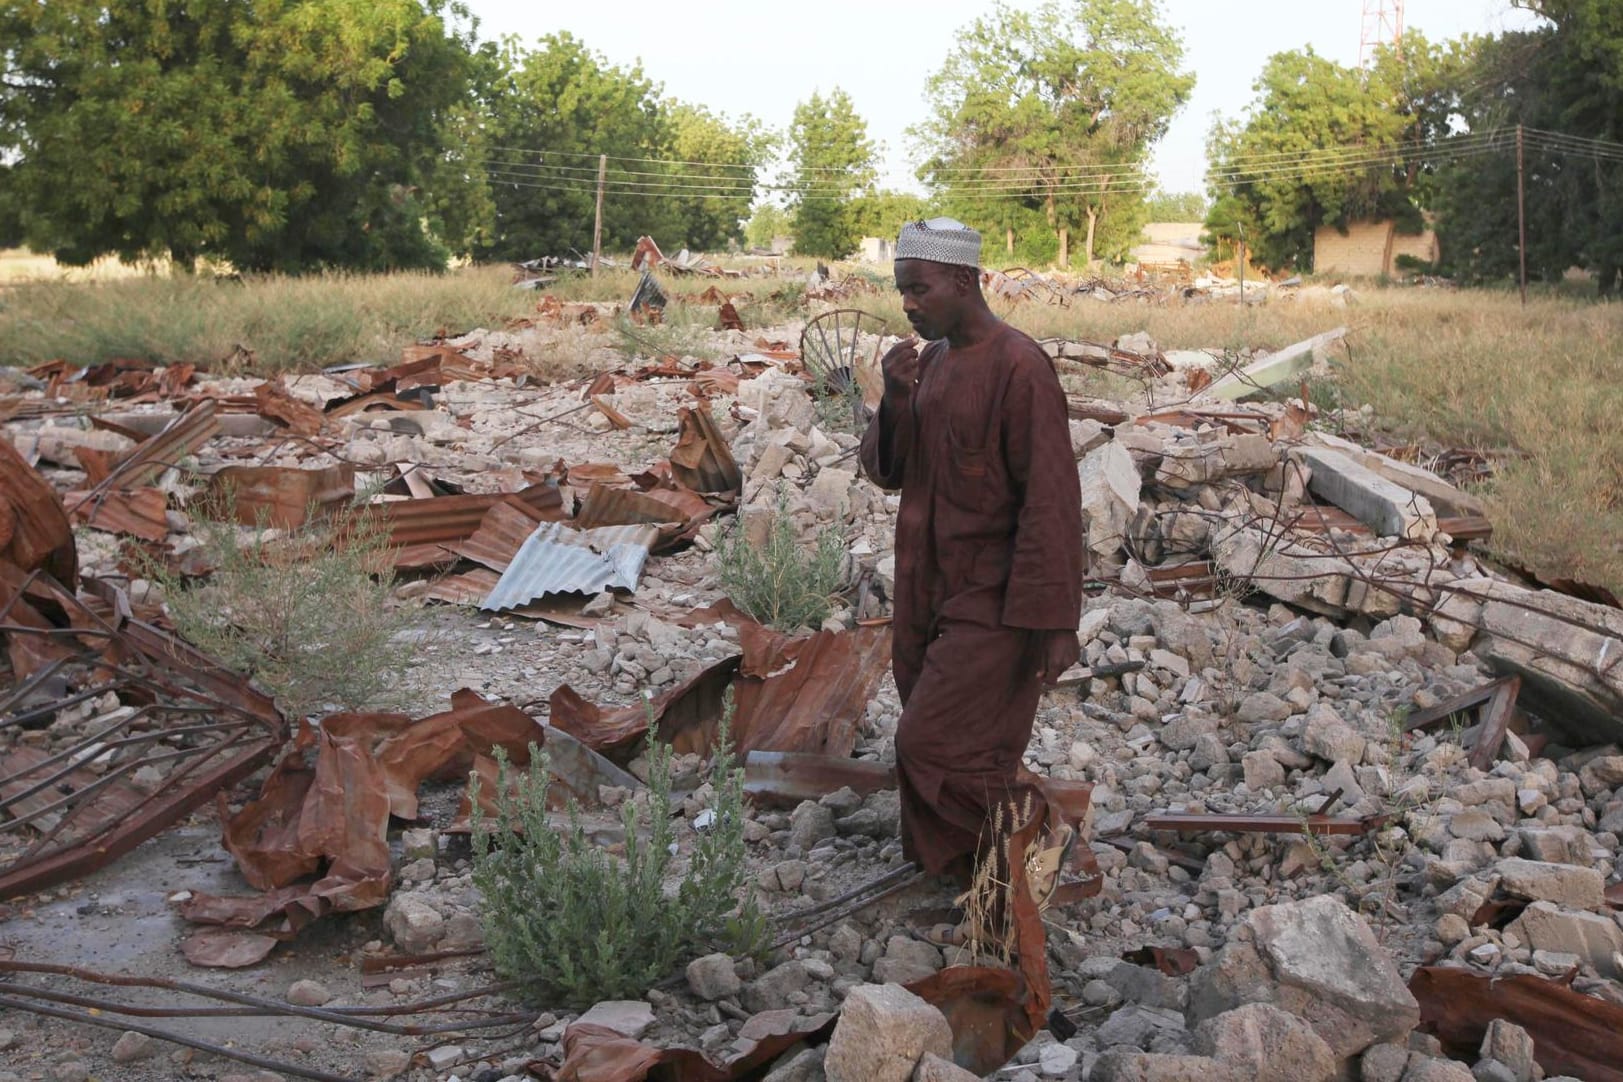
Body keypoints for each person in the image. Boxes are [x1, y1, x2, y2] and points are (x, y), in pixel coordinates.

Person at [860, 218, 1085, 919]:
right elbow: (887, 472)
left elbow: (1051, 501)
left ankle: (1035, 852)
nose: (909, 305)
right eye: (902, 291)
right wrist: (894, 400)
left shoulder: (1018, 366)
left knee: (929, 741)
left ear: (962, 281)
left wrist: (1052, 623)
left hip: (994, 597)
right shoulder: (931, 366)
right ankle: (964, 877)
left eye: (918, 289)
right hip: (928, 588)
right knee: (948, 737)